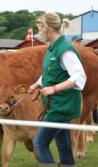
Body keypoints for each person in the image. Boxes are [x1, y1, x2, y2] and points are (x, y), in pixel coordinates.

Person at [29, 13, 87, 167]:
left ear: (48, 28)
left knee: (39, 144)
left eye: (40, 28)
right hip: (57, 106)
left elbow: (79, 77)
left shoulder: (66, 50)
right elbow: (51, 72)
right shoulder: (52, 48)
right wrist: (37, 84)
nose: (39, 32)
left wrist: (53, 89)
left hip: (63, 107)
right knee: (64, 146)